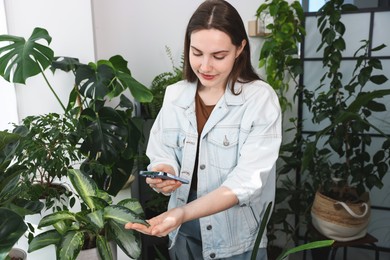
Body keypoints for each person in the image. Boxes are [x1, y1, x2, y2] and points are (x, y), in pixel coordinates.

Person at [125, 0, 282, 259]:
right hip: (181, 232)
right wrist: (165, 172)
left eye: (218, 56)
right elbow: (162, 151)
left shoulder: (259, 100)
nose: (205, 66)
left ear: (240, 48)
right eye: (196, 53)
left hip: (235, 239)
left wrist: (184, 212)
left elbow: (247, 181)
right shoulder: (175, 95)